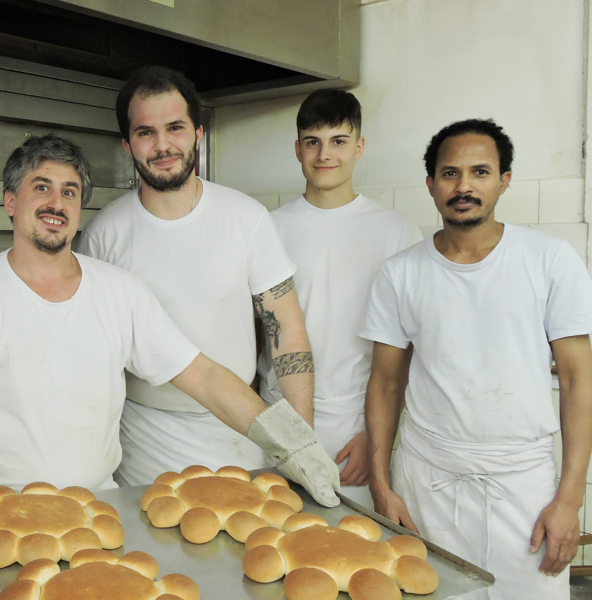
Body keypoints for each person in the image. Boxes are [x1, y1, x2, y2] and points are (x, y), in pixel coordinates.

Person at [0, 133, 341, 592]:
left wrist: (287, 437)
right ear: (10, 201)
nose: (56, 202)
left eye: (69, 191)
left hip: (95, 517)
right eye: (41, 187)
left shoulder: (120, 293)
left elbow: (202, 376)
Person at [363, 119, 592, 599]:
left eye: (480, 172)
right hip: (427, 480)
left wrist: (569, 500)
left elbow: (577, 381)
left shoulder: (550, 260)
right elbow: (385, 384)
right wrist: (382, 487)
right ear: (431, 184)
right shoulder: (400, 273)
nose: (463, 186)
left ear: (504, 180)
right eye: (450, 173)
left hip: (523, 487)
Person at [80, 66, 315, 486]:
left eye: (175, 128)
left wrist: (300, 440)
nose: (162, 145)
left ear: (198, 135)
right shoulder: (103, 234)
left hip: (238, 430)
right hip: (143, 436)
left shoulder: (246, 218)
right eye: (146, 132)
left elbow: (287, 331)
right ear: (127, 144)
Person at [256, 89, 422, 508]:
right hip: (279, 418)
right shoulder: (267, 228)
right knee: (277, 535)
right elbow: (256, 331)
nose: (324, 154)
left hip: (356, 428)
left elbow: (406, 348)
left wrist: (376, 437)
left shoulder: (396, 230)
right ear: (298, 149)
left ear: (359, 148)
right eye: (312, 142)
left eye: (339, 141)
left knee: (350, 542)